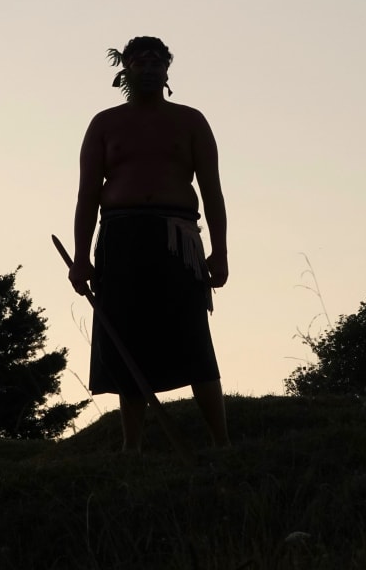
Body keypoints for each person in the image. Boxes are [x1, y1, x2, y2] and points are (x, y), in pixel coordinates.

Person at [69, 36, 231, 451]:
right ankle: (132, 448)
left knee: (193, 335)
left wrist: (220, 252)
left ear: (168, 70)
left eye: (157, 60)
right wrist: (81, 257)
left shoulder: (191, 121)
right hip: (121, 238)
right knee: (128, 338)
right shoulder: (104, 123)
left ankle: (221, 442)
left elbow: (212, 191)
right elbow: (88, 194)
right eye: (140, 61)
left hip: (177, 238)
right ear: (125, 69)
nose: (149, 66)